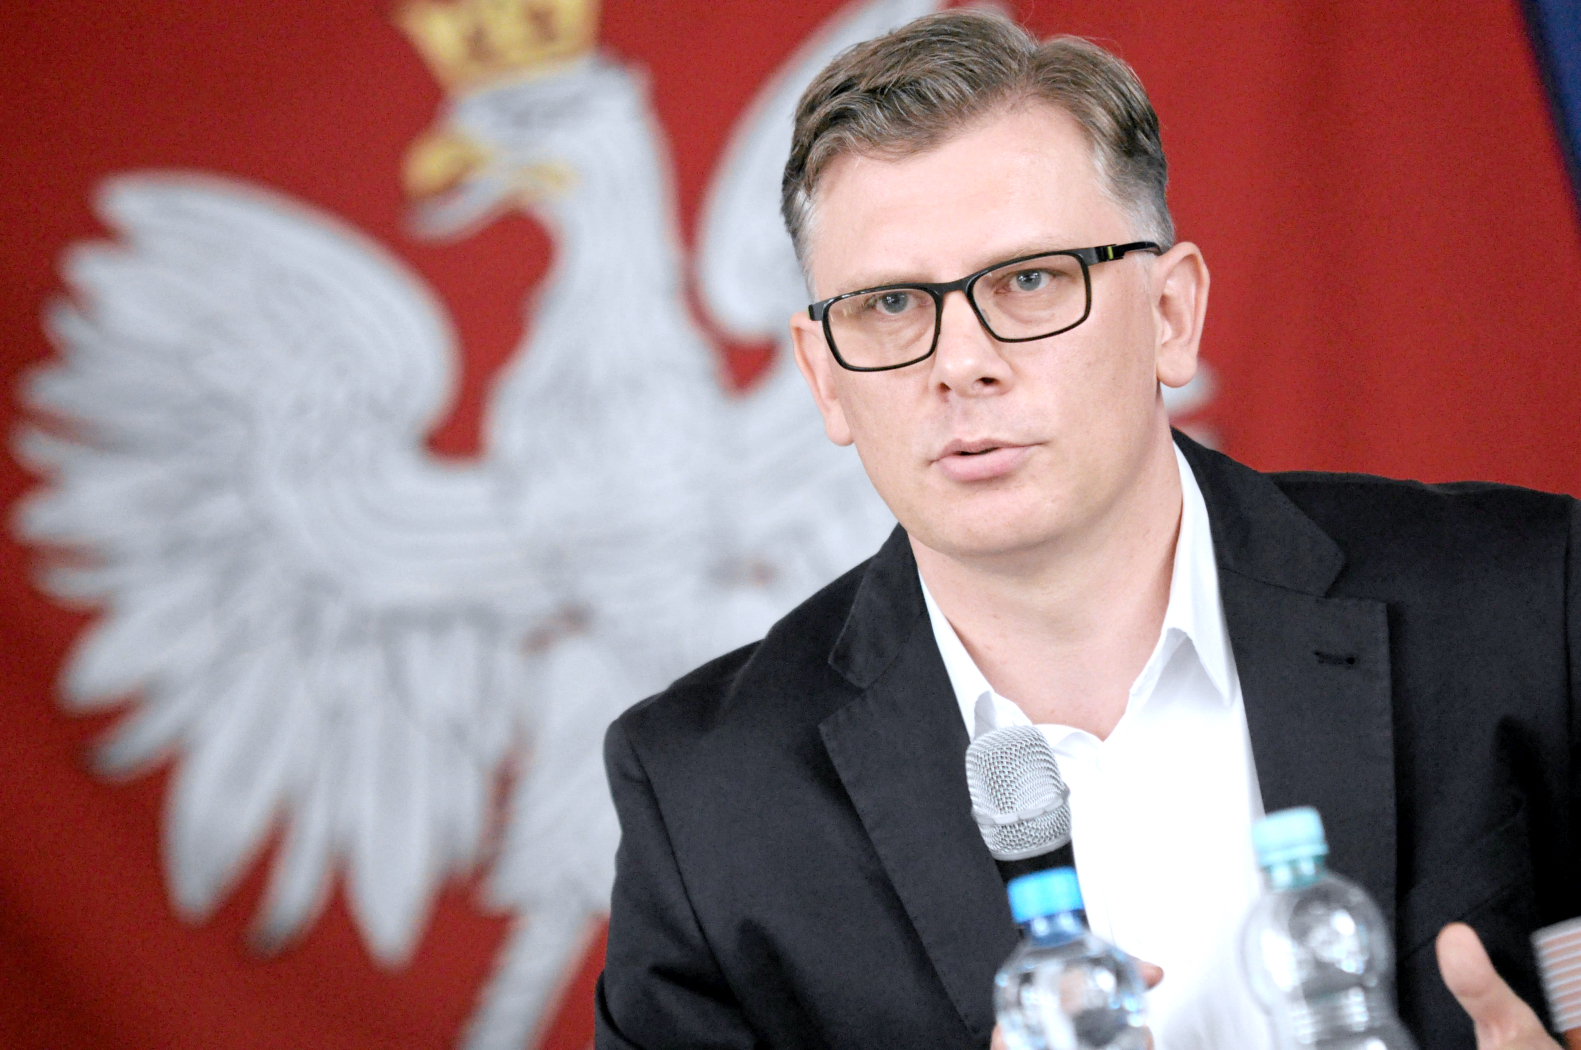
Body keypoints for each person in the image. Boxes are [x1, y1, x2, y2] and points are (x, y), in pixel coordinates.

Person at [594, 11, 1578, 1050]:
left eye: (1028, 281)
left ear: (1170, 315)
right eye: (888, 305)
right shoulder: (706, 797)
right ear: (824, 377)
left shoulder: (1527, 603)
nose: (960, 364)